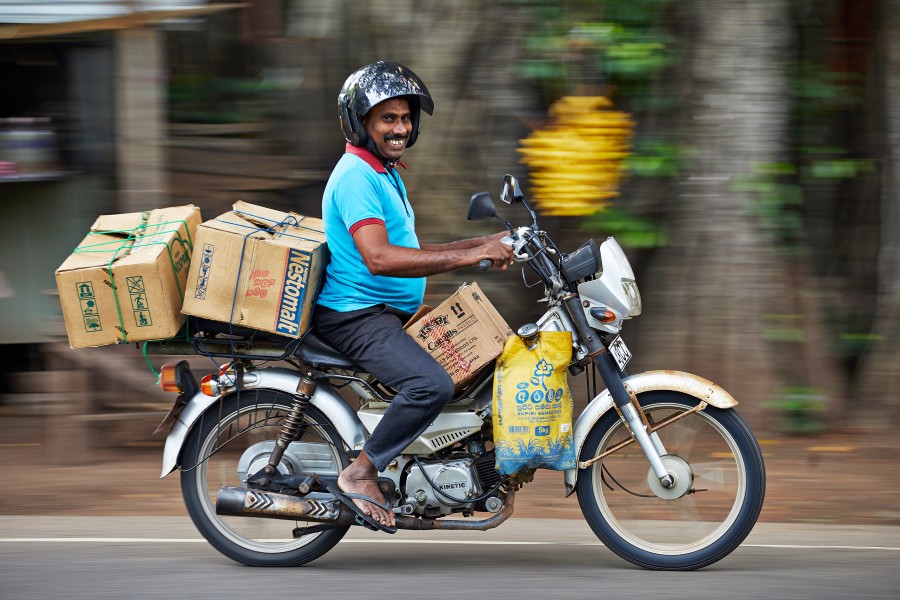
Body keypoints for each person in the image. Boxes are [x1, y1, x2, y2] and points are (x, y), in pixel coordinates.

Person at [313, 61, 514, 531]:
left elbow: (414, 250)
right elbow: (381, 258)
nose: (399, 127)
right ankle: (361, 472)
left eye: (405, 118)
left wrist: (483, 246)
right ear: (361, 123)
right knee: (431, 385)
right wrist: (469, 257)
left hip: (383, 312)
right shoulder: (356, 177)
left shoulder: (384, 172)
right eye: (387, 118)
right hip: (357, 315)